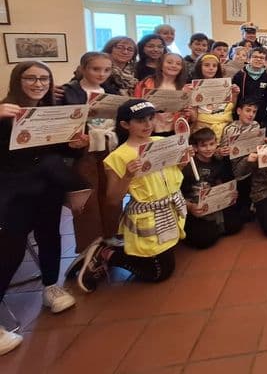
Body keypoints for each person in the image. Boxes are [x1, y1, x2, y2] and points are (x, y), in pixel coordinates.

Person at [1, 62, 87, 355]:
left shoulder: (52, 111)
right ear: (18, 80)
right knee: (10, 249)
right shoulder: (5, 111)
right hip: (13, 191)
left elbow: (59, 149)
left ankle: (51, 286)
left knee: (50, 235)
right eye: (31, 78)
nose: (38, 84)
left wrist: (76, 145)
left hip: (48, 187)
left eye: (44, 79)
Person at [75, 100, 191, 293]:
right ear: (125, 124)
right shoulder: (118, 156)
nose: (147, 124)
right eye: (140, 120)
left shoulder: (161, 142)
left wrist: (184, 159)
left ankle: (119, 249)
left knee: (166, 254)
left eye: (150, 118)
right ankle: (106, 253)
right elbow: (113, 199)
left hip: (169, 208)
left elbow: (174, 172)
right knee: (160, 272)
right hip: (147, 214)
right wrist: (128, 175)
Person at [59, 52, 125, 253]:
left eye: (106, 70)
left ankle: (112, 234)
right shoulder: (69, 92)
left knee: (111, 192)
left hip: (109, 145)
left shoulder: (111, 91)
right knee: (87, 196)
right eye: (96, 69)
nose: (101, 74)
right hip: (83, 150)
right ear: (83, 68)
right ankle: (90, 243)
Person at [180, 127, 243, 249]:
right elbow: (179, 194)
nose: (209, 148)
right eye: (203, 146)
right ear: (195, 148)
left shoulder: (218, 162)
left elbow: (222, 183)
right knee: (204, 240)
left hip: (214, 203)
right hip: (193, 205)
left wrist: (229, 193)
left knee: (235, 225)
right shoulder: (188, 166)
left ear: (216, 144)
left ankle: (215, 226)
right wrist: (190, 207)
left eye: (212, 144)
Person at [133, 53, 191, 135]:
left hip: (174, 130)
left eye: (178, 64)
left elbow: (187, 114)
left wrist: (187, 112)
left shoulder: (185, 89)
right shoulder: (145, 83)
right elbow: (135, 105)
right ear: (161, 65)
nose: (174, 66)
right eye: (169, 62)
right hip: (149, 129)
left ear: (182, 68)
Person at [190, 54, 240, 140]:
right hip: (203, 128)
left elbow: (230, 108)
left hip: (225, 127)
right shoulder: (193, 87)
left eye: (214, 66)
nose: (211, 68)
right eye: (206, 65)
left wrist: (234, 94)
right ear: (199, 67)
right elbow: (193, 116)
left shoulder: (224, 84)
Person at [231, 47, 267, 131]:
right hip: (243, 116)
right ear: (248, 59)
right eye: (255, 57)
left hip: (261, 116)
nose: (258, 59)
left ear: (265, 61)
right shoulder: (240, 75)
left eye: (262, 58)